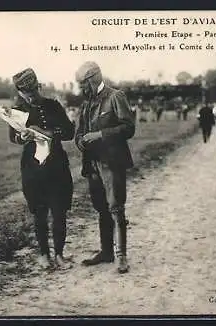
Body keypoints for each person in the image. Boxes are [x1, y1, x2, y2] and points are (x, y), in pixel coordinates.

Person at [9, 68, 75, 270]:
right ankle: (44, 254)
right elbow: (13, 136)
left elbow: (69, 132)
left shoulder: (53, 106)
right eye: (25, 94)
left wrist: (49, 132)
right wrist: (22, 137)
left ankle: (60, 255)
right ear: (20, 92)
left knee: (59, 211)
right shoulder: (17, 110)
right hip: (33, 169)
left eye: (32, 93)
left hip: (56, 167)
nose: (29, 98)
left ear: (38, 87)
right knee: (39, 213)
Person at [75, 61, 135, 274]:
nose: (81, 89)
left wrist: (100, 135)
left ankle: (121, 257)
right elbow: (79, 133)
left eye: (83, 84)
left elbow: (129, 128)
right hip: (92, 164)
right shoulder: (85, 104)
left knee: (116, 208)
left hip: (112, 162)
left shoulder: (115, 96)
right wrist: (81, 140)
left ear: (93, 78)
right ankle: (106, 252)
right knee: (101, 208)